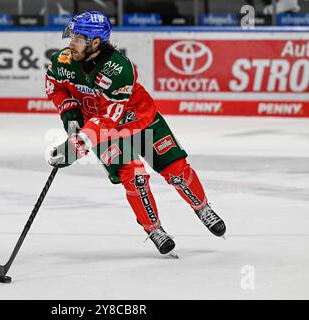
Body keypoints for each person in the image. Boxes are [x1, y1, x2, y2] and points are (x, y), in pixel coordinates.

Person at [45, 11, 226, 255]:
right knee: (135, 177)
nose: (71, 43)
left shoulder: (118, 68)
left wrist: (77, 145)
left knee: (176, 170)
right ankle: (154, 229)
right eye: (72, 37)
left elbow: (109, 117)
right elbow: (54, 86)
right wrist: (71, 115)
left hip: (138, 119)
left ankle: (201, 207)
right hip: (98, 129)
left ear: (95, 42)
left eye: (78, 38)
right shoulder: (62, 61)